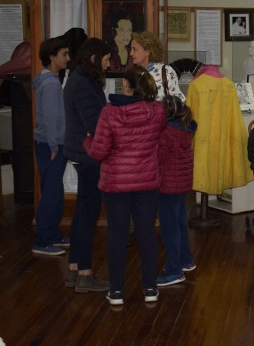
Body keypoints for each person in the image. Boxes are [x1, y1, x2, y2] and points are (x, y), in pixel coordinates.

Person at [85, 66, 167, 305]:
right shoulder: (157, 112)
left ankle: (117, 291)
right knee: (147, 234)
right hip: (147, 183)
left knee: (117, 236)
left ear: (126, 85)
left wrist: (86, 141)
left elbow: (99, 152)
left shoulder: (109, 113)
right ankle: (150, 288)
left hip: (116, 184)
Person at [63, 38, 111, 293]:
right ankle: (85, 273)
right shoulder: (83, 84)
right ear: (94, 59)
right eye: (105, 60)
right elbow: (95, 126)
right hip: (88, 156)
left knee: (82, 212)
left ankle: (73, 269)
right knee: (88, 214)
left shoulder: (78, 78)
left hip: (81, 153)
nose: (108, 64)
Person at [31, 36, 70, 256]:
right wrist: (55, 147)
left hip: (49, 143)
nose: (67, 58)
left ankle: (52, 234)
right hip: (50, 145)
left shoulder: (49, 80)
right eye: (64, 54)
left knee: (54, 191)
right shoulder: (51, 84)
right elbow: (51, 120)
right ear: (52, 57)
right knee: (51, 193)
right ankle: (42, 240)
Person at [156, 95, 197, 286]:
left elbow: (159, 158)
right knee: (180, 222)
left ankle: (174, 270)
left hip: (167, 185)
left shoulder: (166, 132)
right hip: (180, 185)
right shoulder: (185, 128)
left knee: (169, 228)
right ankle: (185, 260)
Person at [130, 31, 185, 103]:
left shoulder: (166, 71)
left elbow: (179, 101)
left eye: (135, 49)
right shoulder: (132, 73)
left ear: (148, 51)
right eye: (130, 49)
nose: (131, 53)